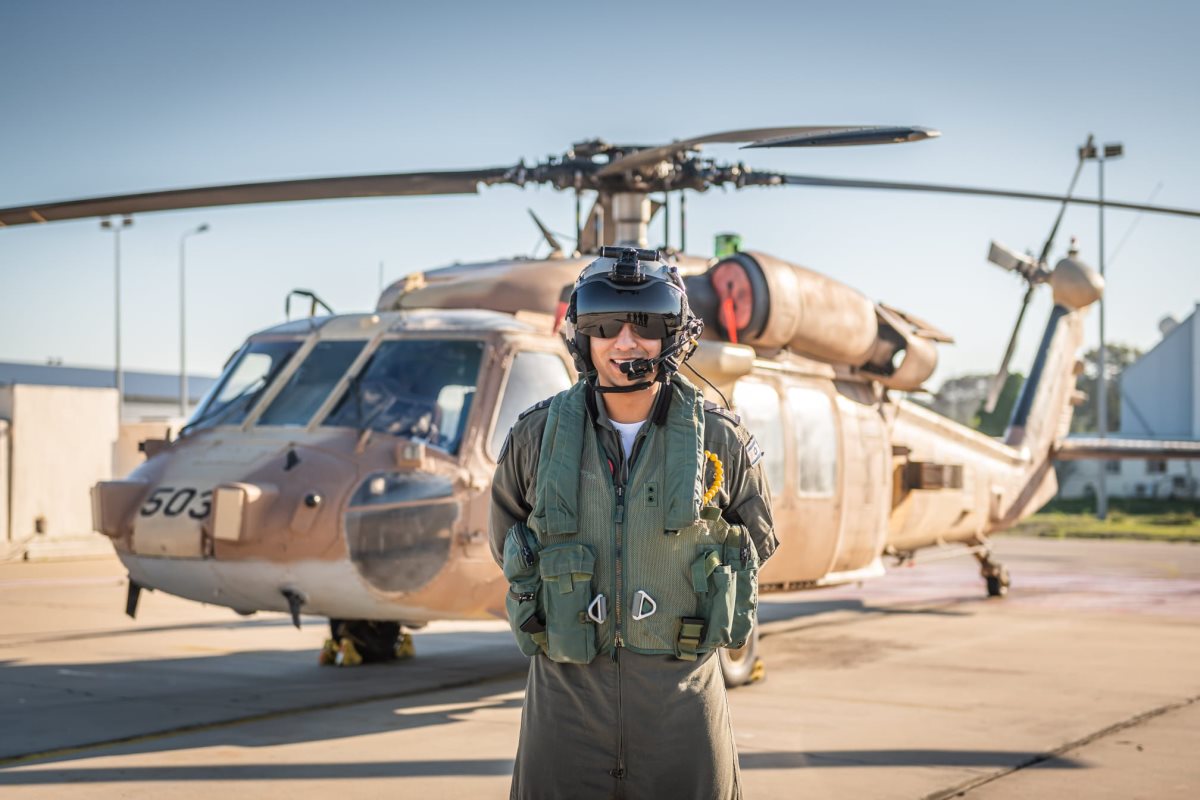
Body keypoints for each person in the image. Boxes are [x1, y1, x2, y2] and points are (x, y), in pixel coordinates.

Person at [490, 246, 777, 800]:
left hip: (681, 694)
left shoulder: (720, 438)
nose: (625, 341)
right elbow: (504, 536)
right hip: (566, 696)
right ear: (582, 335)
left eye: (645, 322)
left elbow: (756, 539)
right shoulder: (536, 438)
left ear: (673, 335)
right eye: (604, 324)